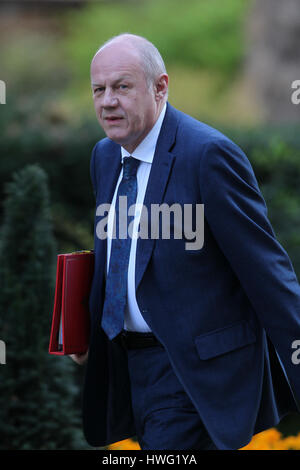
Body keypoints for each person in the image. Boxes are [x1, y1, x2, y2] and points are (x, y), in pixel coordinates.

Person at [71, 33, 300, 450]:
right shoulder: (104, 156)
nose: (107, 101)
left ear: (160, 87)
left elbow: (267, 272)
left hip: (194, 372)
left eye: (122, 86)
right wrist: (85, 325)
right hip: (126, 363)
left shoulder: (208, 155)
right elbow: (117, 254)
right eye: (99, 89)